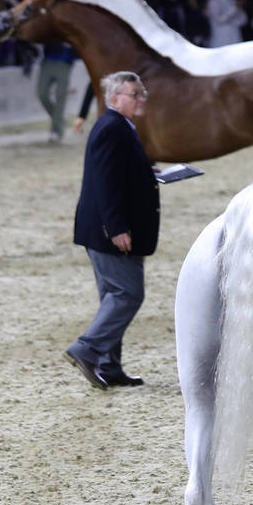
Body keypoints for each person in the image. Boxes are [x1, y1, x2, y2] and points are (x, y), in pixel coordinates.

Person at [65, 72, 160, 390]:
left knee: (112, 296)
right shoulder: (112, 128)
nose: (141, 99)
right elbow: (105, 183)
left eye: (142, 93)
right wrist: (117, 228)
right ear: (115, 97)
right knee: (127, 294)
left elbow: (117, 171)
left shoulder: (117, 126)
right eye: (135, 94)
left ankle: (109, 365)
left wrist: (146, 172)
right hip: (110, 230)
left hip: (101, 228)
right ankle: (87, 349)